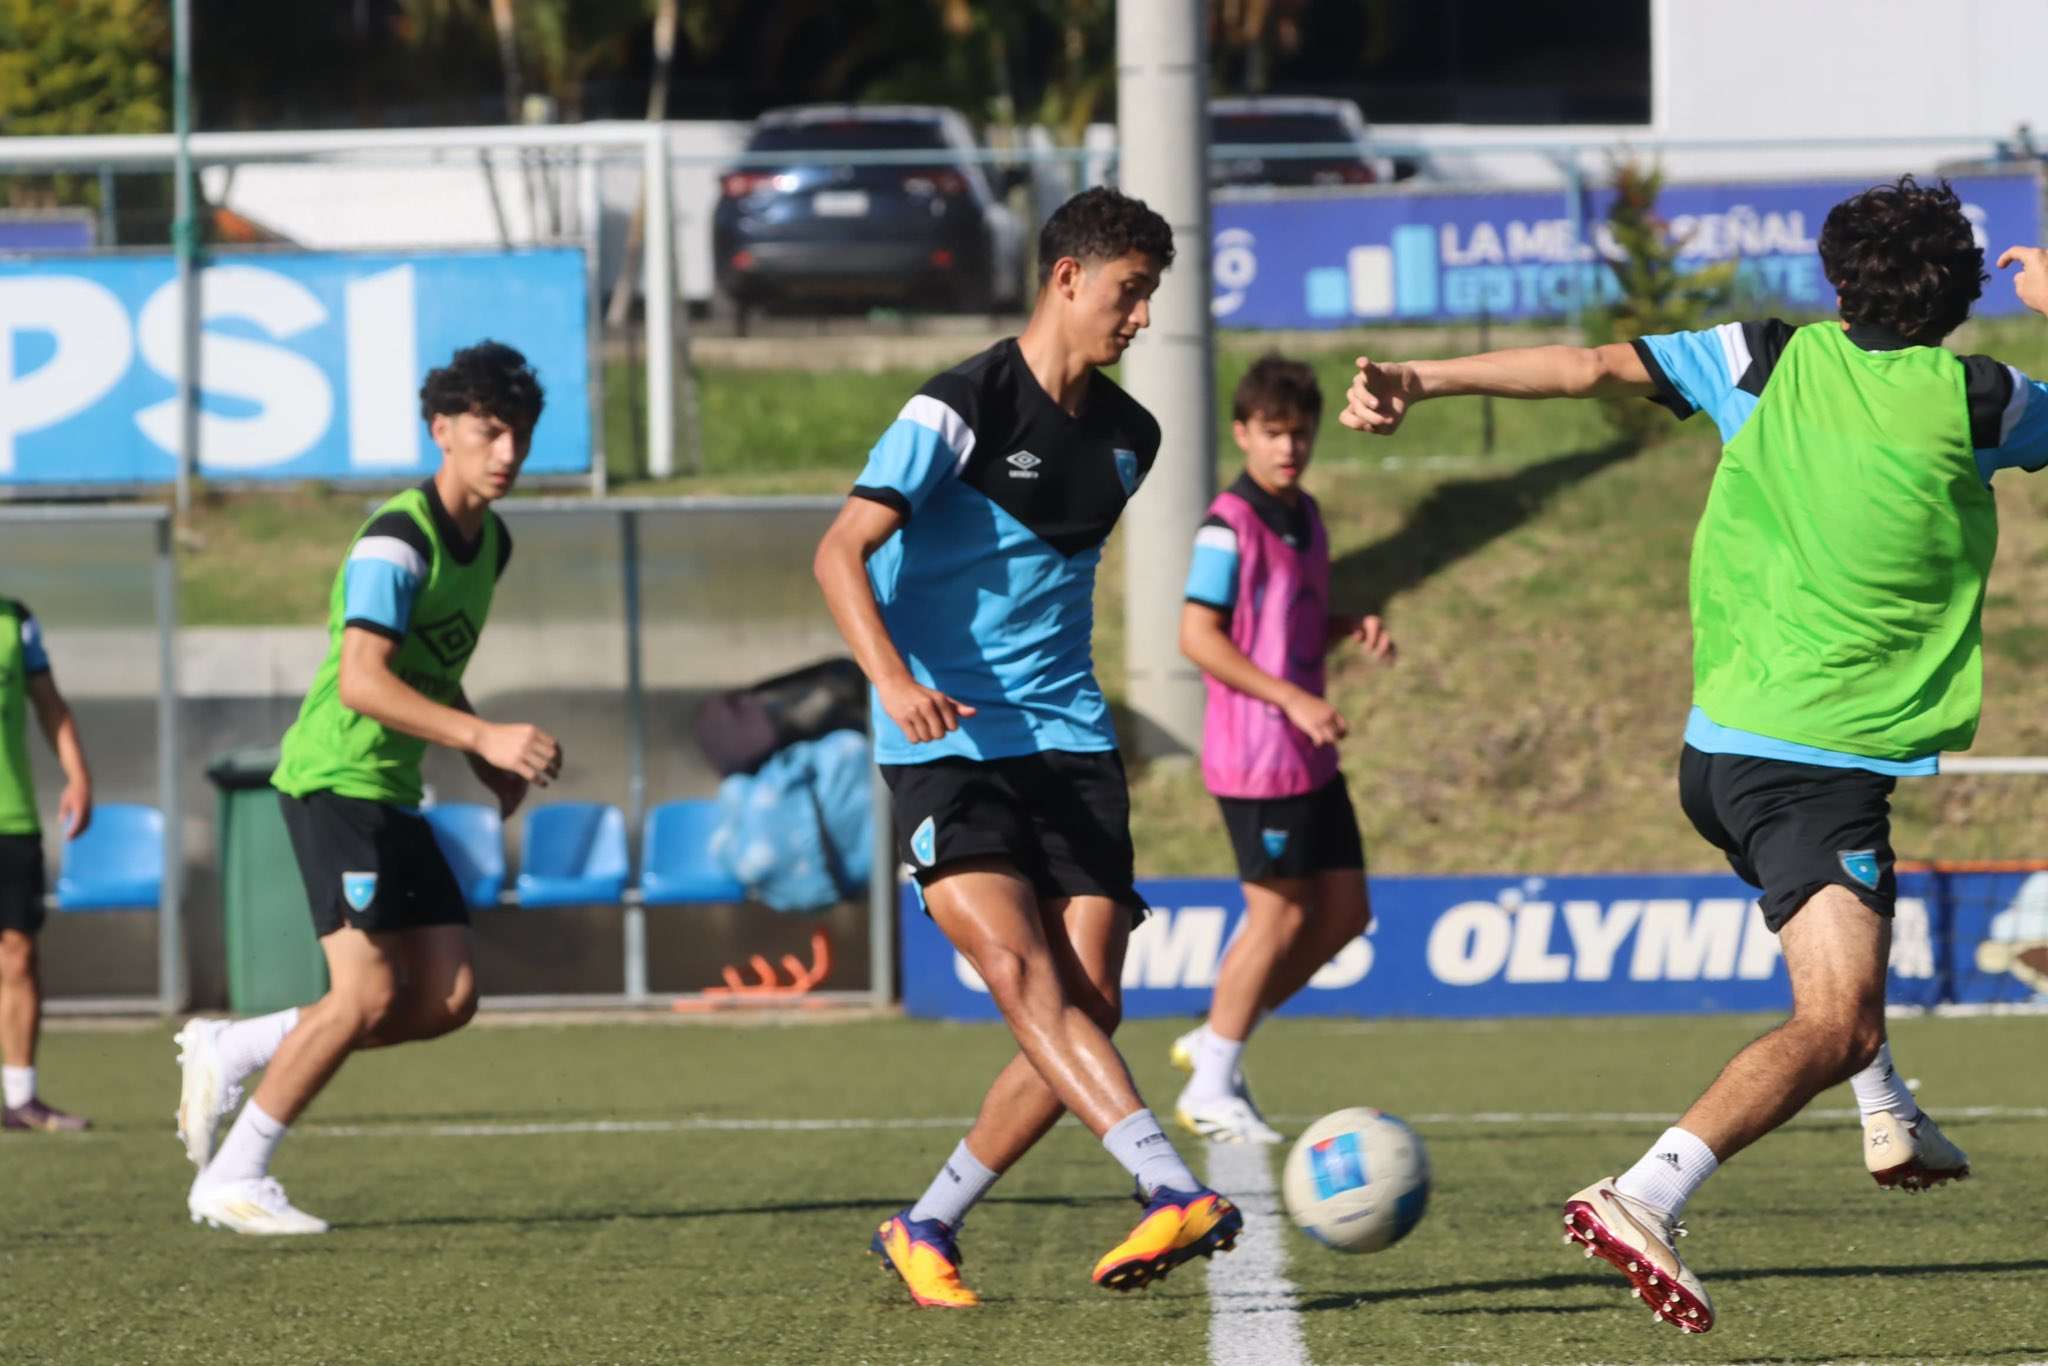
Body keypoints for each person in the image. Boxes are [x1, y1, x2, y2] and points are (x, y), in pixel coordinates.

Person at [1341, 176, 2048, 1334]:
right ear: (1961, 291)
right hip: (1809, 770)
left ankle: (1886, 1113)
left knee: (1843, 982)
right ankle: (1645, 1193)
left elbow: (1582, 368)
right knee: (1837, 1020)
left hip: (1715, 755)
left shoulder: (1762, 357)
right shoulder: (1982, 398)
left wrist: (1419, 379)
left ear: (1834, 283)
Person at [813, 186, 1240, 1309]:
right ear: (1065, 278)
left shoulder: (1128, 438)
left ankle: (925, 1221)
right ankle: (1164, 1185)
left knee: (1086, 1008)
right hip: (943, 741)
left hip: (1069, 745)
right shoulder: (956, 405)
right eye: (1129, 293)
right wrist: (894, 681)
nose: (1141, 318)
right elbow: (838, 552)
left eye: (1150, 295)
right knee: (1020, 974)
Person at [177, 341, 563, 1235]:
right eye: (489, 431)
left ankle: (236, 1045)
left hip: (392, 786)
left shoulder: (490, 543)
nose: (507, 453)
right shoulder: (397, 538)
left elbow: (426, 666)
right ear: (443, 431)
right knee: (363, 997)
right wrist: (484, 734)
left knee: (447, 999)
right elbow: (361, 679)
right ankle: (233, 1175)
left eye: (521, 435)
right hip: (335, 779)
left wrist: (479, 759)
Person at [1169, 356, 1394, 1144]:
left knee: (1343, 914)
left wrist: (1345, 626)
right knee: (1277, 912)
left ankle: (1216, 1043)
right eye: (1272, 434)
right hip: (1257, 753)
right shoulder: (1225, 525)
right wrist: (1293, 698)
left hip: (1308, 755)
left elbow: (1287, 622)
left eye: (1299, 434)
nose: (1288, 449)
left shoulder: (1307, 515)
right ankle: (1211, 1083)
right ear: (1243, 434)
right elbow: (1198, 635)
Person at [0, 598, 93, 1133]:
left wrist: (79, 775)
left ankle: (20, 1099)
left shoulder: (16, 620)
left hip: (12, 820)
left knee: (18, 955)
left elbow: (50, 706)